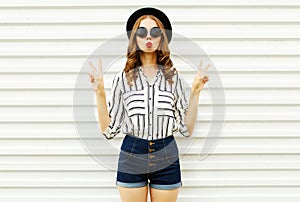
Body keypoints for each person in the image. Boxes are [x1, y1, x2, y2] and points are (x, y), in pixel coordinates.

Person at [88, 7, 210, 202]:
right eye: (142, 32)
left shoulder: (173, 78)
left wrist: (195, 91)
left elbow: (186, 130)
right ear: (134, 38)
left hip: (167, 155)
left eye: (155, 32)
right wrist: (99, 92)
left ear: (161, 37)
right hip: (132, 155)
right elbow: (108, 130)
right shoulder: (123, 79)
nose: (148, 37)